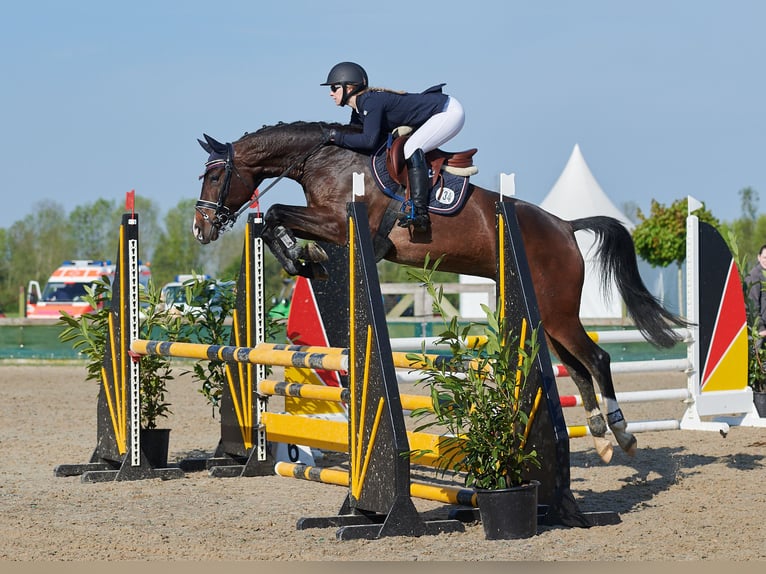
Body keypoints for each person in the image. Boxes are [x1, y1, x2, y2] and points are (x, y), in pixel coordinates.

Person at [320, 61, 465, 232]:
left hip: (448, 112)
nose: (331, 93)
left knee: (411, 148)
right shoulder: (359, 109)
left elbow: (368, 141)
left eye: (334, 88)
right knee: (410, 146)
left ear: (349, 87)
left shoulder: (370, 102)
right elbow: (356, 138)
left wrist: (336, 137)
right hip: (436, 112)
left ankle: (420, 212)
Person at [747, 244, 766, 342]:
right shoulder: (754, 276)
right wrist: (761, 328)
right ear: (759, 257)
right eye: (764, 257)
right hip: (759, 331)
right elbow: (752, 304)